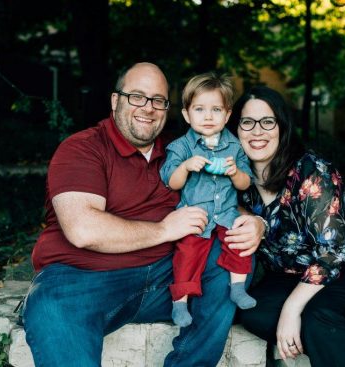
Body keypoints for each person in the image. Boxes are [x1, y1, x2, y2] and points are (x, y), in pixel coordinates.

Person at [21, 62, 265, 367]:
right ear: (115, 101)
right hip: (83, 280)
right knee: (51, 307)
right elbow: (83, 230)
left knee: (231, 250)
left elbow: (218, 198)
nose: (148, 108)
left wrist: (254, 223)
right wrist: (164, 230)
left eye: (158, 100)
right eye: (137, 96)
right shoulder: (83, 148)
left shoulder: (180, 150)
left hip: (166, 277)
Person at [228, 86, 345, 367]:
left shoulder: (310, 170)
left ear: (282, 128)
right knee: (252, 312)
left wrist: (291, 310)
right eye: (248, 122)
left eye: (267, 122)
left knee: (318, 318)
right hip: (291, 273)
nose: (257, 131)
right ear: (236, 129)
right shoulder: (237, 181)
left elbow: (333, 253)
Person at [160, 72, 256, 328]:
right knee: (187, 253)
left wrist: (235, 172)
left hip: (226, 212)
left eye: (216, 109)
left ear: (227, 115)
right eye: (200, 109)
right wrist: (187, 166)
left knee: (240, 242)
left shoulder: (234, 147)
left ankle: (237, 287)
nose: (208, 116)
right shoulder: (182, 147)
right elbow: (172, 180)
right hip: (195, 216)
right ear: (186, 115)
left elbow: (247, 182)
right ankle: (180, 302)